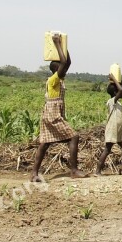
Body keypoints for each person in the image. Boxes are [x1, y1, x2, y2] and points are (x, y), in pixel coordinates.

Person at [29, 33, 88, 182]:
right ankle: (74, 170)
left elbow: (67, 62)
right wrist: (56, 44)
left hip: (52, 113)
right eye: (62, 68)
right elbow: (63, 62)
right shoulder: (54, 79)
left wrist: (64, 45)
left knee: (45, 143)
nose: (65, 70)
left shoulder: (57, 79)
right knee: (73, 137)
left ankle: (34, 174)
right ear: (57, 69)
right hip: (52, 114)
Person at [94, 71, 122, 176]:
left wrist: (118, 80)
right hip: (112, 129)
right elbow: (121, 89)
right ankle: (97, 171)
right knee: (107, 150)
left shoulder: (118, 103)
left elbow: (121, 89)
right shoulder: (112, 101)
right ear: (115, 93)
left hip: (119, 130)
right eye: (120, 92)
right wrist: (114, 78)